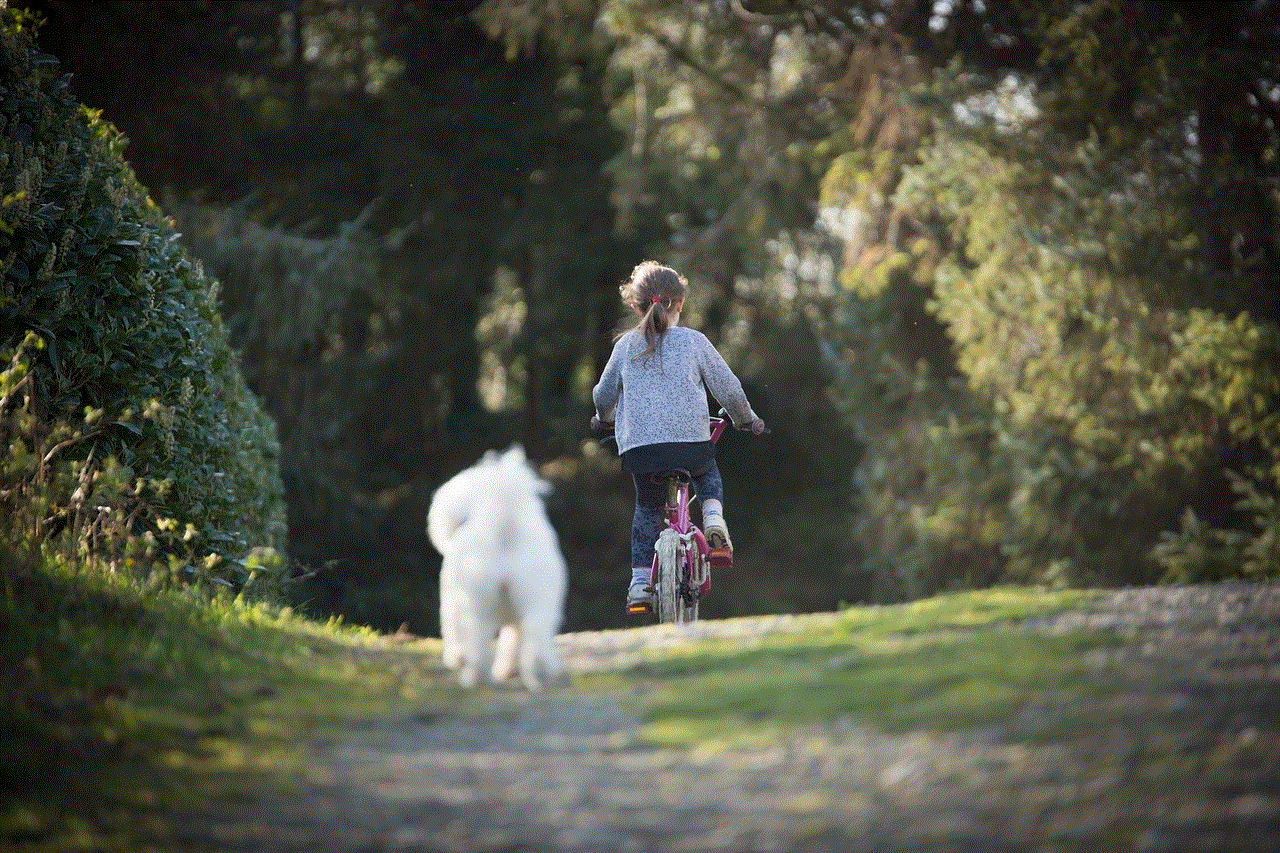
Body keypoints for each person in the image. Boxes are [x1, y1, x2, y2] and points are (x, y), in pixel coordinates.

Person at [592, 260, 764, 614]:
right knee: (707, 475)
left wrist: (603, 418)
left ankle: (640, 583)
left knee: (648, 508)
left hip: (641, 451)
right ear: (681, 304)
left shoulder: (625, 347)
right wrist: (745, 419)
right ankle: (713, 519)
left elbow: (604, 393)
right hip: (691, 446)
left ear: (636, 306)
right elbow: (728, 388)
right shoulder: (694, 342)